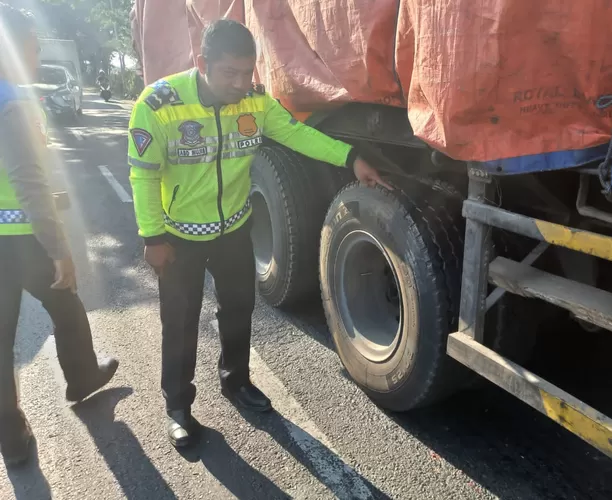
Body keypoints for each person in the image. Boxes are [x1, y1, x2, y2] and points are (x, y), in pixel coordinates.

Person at [127, 19, 389, 448]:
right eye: (229, 73)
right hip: (178, 238)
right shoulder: (158, 104)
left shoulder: (254, 102)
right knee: (180, 322)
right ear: (201, 63)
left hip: (233, 228)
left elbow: (296, 134)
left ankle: (236, 381)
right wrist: (153, 236)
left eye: (246, 72)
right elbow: (142, 175)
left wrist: (351, 157)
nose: (239, 82)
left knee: (238, 310)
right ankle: (178, 406)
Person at [0, 4, 119, 467]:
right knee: (67, 305)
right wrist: (59, 249)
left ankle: (11, 438)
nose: (35, 53)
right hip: (21, 238)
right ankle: (84, 378)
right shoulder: (14, 100)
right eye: (31, 45)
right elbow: (29, 180)